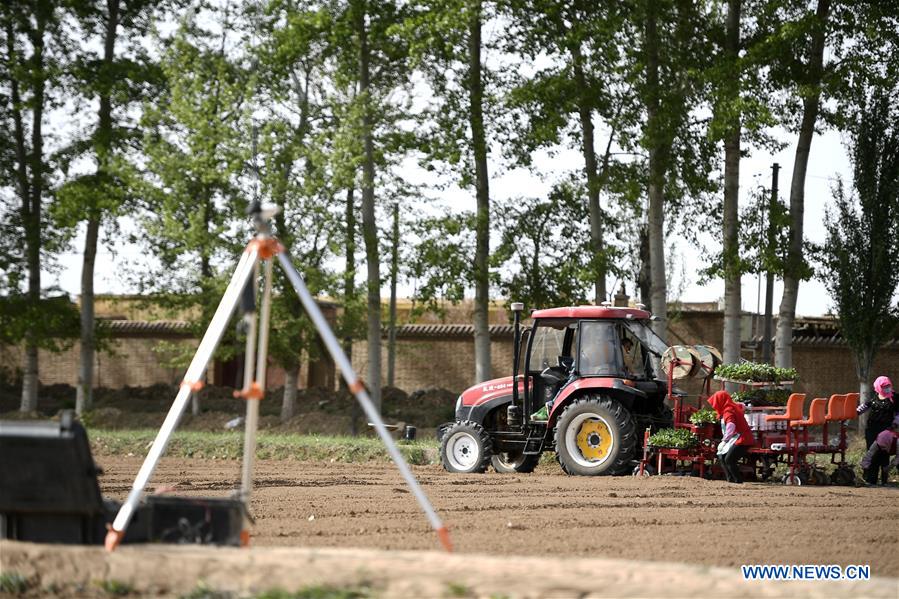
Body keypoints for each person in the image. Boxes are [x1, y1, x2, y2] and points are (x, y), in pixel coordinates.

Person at [707, 390, 756, 484]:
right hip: (736, 438)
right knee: (721, 456)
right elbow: (741, 406)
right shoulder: (732, 407)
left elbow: (731, 426)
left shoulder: (729, 411)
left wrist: (724, 441)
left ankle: (737, 481)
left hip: (742, 439)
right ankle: (730, 480)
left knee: (729, 460)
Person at [857, 376, 899, 449]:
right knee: (871, 450)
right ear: (878, 387)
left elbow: (898, 413)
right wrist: (855, 412)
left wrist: (895, 423)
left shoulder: (895, 397)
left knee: (882, 450)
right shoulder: (874, 396)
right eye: (884, 386)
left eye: (888, 386)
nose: (887, 388)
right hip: (871, 428)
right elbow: (865, 406)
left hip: (886, 429)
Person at [860, 415, 899, 485]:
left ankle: (884, 480)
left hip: (890, 447)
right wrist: (865, 466)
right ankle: (874, 479)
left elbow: (898, 457)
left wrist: (889, 467)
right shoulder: (880, 438)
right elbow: (869, 454)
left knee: (886, 462)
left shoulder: (897, 441)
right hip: (883, 448)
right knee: (876, 459)